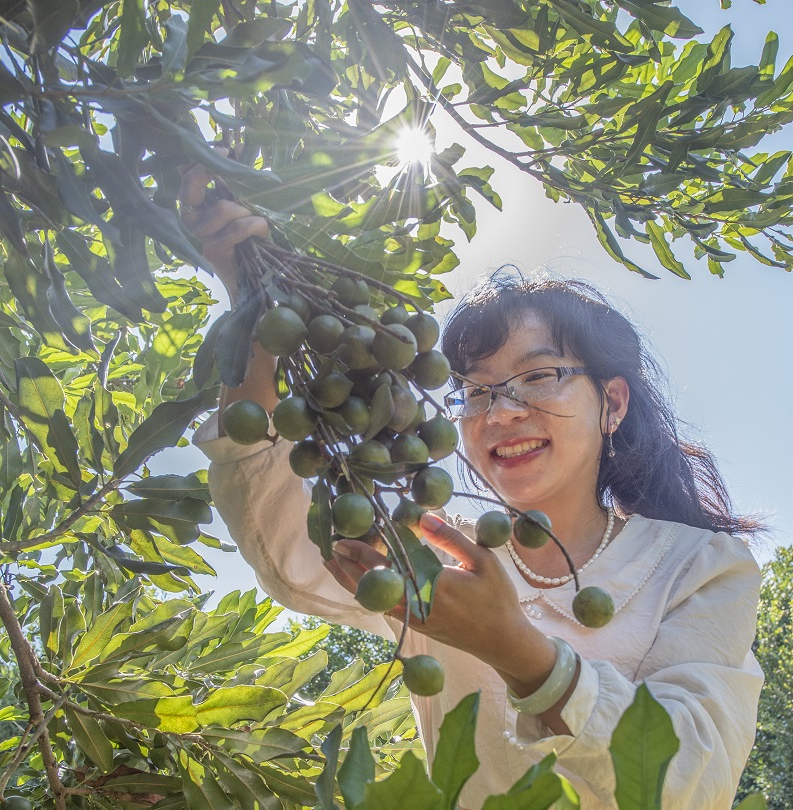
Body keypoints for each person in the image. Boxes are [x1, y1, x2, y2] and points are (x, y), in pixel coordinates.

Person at [183, 164, 764, 809]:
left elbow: (694, 782)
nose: (501, 411)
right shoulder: (436, 550)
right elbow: (287, 548)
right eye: (476, 390)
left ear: (612, 404)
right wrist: (255, 316)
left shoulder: (701, 568)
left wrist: (518, 653)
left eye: (539, 374)